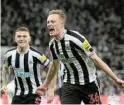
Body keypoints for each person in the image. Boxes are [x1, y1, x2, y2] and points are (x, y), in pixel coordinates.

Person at [36, 9, 124, 104]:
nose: (49, 24)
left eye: (52, 21)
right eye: (48, 22)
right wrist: (46, 85)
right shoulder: (52, 45)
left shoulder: (76, 39)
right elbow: (54, 65)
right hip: (70, 84)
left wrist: (115, 78)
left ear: (62, 23)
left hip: (89, 83)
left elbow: (95, 58)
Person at [1, 27, 50, 104]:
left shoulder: (37, 55)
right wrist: (4, 84)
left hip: (34, 93)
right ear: (15, 39)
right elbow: (5, 69)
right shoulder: (9, 54)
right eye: (19, 36)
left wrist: (47, 84)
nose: (21, 38)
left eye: (24, 36)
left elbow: (51, 67)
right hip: (18, 94)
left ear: (29, 39)